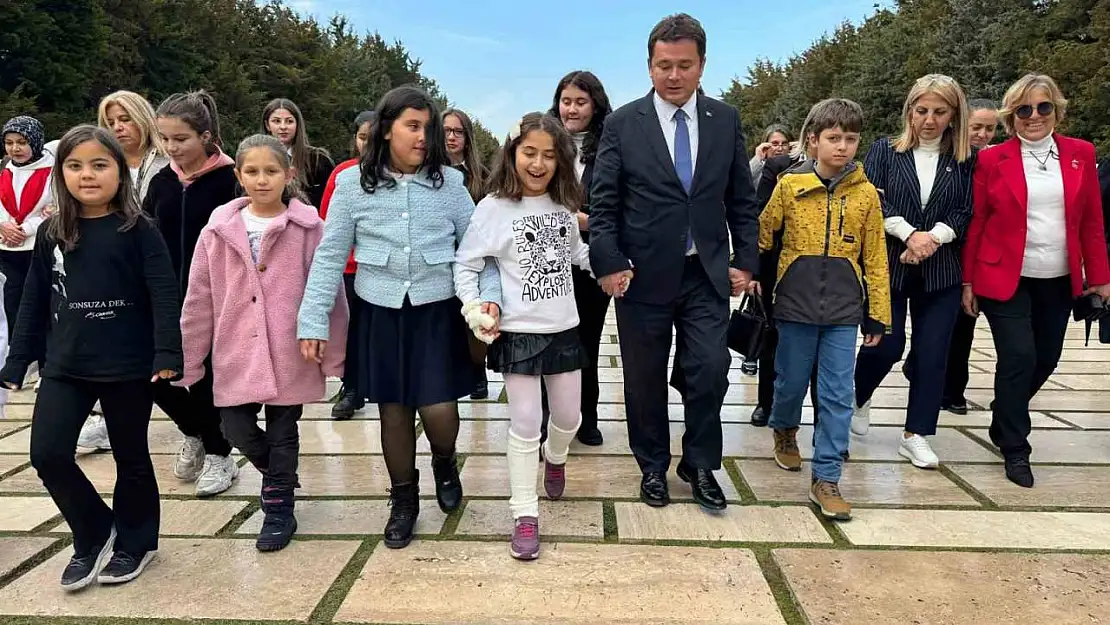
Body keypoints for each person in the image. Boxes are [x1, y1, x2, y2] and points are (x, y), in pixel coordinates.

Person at [297, 86, 501, 549]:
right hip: (380, 312)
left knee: (439, 408)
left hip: (437, 311)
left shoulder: (450, 185)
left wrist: (489, 301)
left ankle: (445, 461)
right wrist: (311, 321)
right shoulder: (352, 184)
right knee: (393, 409)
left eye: (428, 128)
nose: (423, 137)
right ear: (387, 129)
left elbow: (480, 254)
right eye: (413, 126)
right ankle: (403, 499)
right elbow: (330, 256)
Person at [588, 13, 760, 511]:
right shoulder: (623, 123)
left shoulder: (724, 120)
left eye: (684, 65)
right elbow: (604, 204)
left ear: (702, 65)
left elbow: (741, 199)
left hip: (705, 273)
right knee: (643, 378)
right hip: (641, 276)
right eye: (664, 65)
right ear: (649, 66)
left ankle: (701, 462)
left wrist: (745, 261)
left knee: (710, 367)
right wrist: (608, 262)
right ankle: (652, 466)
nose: (674, 75)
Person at [0, 125, 182, 589]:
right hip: (66, 365)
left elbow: (163, 293)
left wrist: (167, 351)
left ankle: (135, 542)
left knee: (131, 457)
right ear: (61, 175)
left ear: (119, 174)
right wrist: (18, 359)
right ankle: (94, 530)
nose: (87, 175)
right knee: (47, 454)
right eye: (75, 166)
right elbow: (34, 300)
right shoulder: (51, 233)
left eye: (99, 165)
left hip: (127, 365)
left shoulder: (139, 230)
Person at [178, 134, 347, 552]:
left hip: (291, 349)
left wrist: (335, 351)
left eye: (271, 171)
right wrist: (189, 357)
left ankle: (278, 507)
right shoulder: (217, 231)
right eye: (251, 171)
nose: (261, 179)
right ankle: (278, 474)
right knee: (234, 426)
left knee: (285, 430)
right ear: (238, 175)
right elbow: (199, 296)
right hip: (236, 349)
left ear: (288, 175)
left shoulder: (310, 228)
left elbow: (329, 291)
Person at [963, 74, 1110, 487]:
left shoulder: (1080, 153)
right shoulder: (993, 160)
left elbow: (1092, 224)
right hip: (1004, 276)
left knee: (1046, 358)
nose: (1034, 116)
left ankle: (1005, 411)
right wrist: (968, 282)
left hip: (1058, 277)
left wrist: (1099, 279)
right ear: (1012, 116)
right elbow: (978, 222)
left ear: (1056, 111)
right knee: (1018, 356)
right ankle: (1015, 446)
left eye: (1043, 107)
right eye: (1024, 109)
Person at [455, 112, 590, 560]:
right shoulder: (493, 207)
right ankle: (524, 513)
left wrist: (618, 265)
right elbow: (467, 264)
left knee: (568, 418)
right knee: (525, 421)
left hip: (564, 329)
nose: (538, 163)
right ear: (512, 154)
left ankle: (556, 457)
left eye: (549, 155)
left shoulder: (563, 206)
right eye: (529, 153)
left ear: (561, 161)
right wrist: (474, 307)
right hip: (518, 334)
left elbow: (578, 255)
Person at [760, 99, 890, 520]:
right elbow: (763, 235)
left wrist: (878, 313)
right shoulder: (788, 187)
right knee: (791, 382)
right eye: (834, 138)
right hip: (794, 306)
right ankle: (784, 428)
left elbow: (875, 257)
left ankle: (827, 476)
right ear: (812, 141)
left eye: (851, 139)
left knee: (838, 393)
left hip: (843, 310)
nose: (843, 147)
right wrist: (756, 278)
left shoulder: (867, 195)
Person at [851, 74, 975, 470]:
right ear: (909, 111)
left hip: (941, 270)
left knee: (933, 353)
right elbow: (870, 201)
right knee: (886, 344)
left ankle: (916, 433)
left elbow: (965, 210)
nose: (929, 120)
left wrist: (932, 239)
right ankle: (858, 396)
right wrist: (909, 235)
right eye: (922, 110)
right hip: (890, 263)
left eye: (939, 112)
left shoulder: (965, 159)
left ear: (954, 115)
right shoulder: (884, 152)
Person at [146, 90, 239, 496]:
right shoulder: (163, 181)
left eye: (180, 139)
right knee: (151, 373)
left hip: (216, 297)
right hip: (163, 295)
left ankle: (221, 455)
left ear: (205, 135)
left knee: (204, 379)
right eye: (164, 139)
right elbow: (144, 230)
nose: (171, 147)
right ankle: (195, 434)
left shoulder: (230, 180)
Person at [78, 90, 173, 452]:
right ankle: (104, 420)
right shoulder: (100, 163)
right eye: (111, 122)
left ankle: (201, 431)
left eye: (125, 119)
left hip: (155, 261)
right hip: (110, 266)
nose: (119, 128)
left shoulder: (164, 163)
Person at [903, 98, 1000, 415]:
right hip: (938, 248)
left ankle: (952, 387)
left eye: (989, 128)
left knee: (962, 325)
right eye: (977, 127)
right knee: (943, 327)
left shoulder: (991, 159)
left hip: (971, 250)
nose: (983, 134)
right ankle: (930, 374)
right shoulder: (950, 157)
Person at [538, 69, 614, 446]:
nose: (572, 109)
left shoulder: (612, 147)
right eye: (566, 101)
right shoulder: (543, 143)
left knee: (587, 338)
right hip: (546, 256)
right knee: (546, 338)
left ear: (595, 105)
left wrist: (581, 220)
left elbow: (618, 208)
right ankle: (544, 415)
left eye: (580, 102)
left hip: (589, 258)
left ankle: (586, 416)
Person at [327, 111, 375, 420]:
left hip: (379, 270)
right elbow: (327, 225)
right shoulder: (342, 175)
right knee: (350, 331)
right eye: (362, 138)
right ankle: (352, 387)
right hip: (348, 269)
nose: (368, 145)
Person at [443, 107, 492, 400]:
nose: (451, 137)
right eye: (446, 131)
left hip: (473, 260)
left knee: (472, 320)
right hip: (439, 259)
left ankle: (478, 371)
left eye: (458, 131)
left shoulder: (481, 177)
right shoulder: (428, 173)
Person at [1, 116, 53, 353]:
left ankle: (44, 357)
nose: (15, 148)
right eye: (9, 142)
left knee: (40, 303)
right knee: (12, 302)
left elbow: (54, 208)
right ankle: (20, 355)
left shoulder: (52, 171)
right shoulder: (5, 170)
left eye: (21, 142)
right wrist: (4, 225)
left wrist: (27, 229)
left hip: (36, 246)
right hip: (7, 247)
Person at [262, 98, 336, 209]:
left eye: (289, 121)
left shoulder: (318, 160)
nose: (283, 127)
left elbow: (333, 200)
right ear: (267, 125)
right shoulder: (257, 159)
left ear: (297, 125)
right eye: (276, 121)